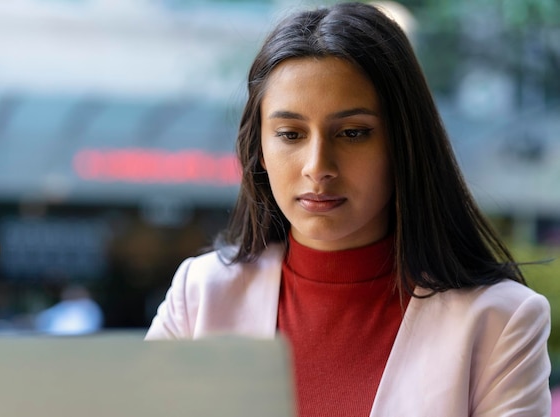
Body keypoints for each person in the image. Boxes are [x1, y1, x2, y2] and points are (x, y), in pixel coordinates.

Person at [145, 2, 551, 416]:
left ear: (403, 146)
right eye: (290, 134)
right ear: (260, 150)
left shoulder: (499, 321)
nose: (318, 167)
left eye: (353, 133)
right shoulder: (201, 295)